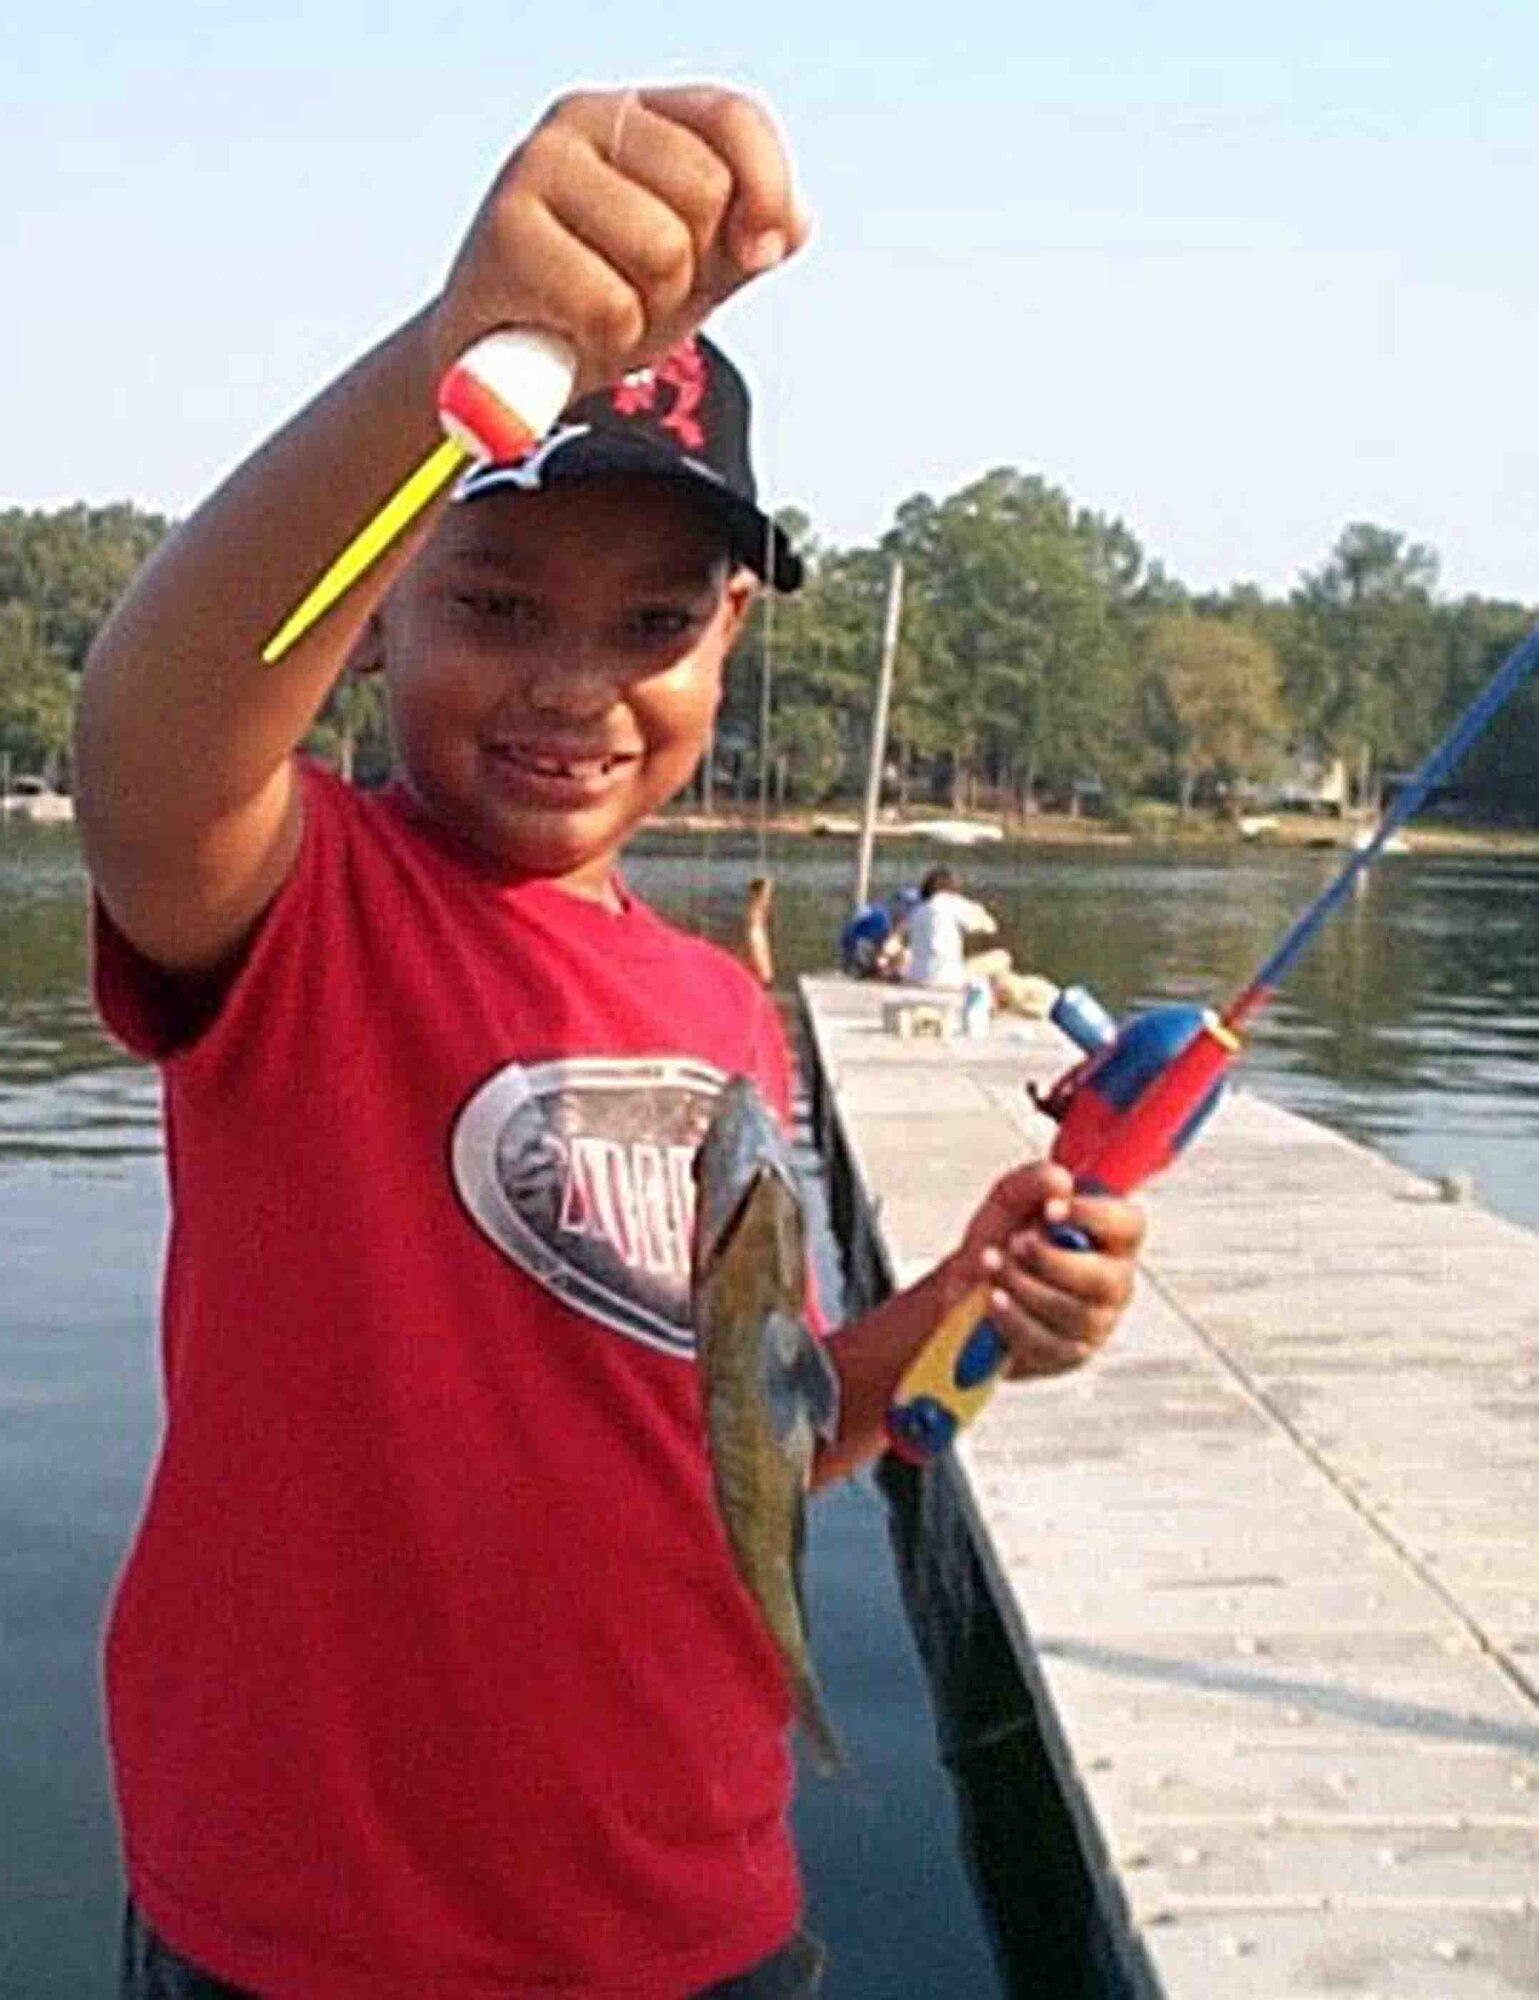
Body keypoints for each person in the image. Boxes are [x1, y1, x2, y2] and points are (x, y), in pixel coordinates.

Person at [76, 83, 1145, 2000]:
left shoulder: (721, 1014)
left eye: (650, 621)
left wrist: (977, 1313)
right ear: (383, 609)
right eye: (493, 602)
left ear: (731, 632)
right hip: (304, 1943)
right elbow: (149, 730)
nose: (573, 686)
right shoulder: (292, 904)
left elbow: (764, 1427)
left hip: (689, 1926)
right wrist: (437, 366)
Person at [903, 865, 1013, 990]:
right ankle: (996, 1001)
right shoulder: (954, 903)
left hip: (915, 978)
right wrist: (980, 910)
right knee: (1002, 957)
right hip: (946, 980)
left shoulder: (918, 910)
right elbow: (990, 927)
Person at [837, 883, 918, 978]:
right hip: (862, 958)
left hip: (852, 956)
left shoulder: (878, 909)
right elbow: (884, 946)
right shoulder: (882, 918)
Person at [743, 874, 775, 986]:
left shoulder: (757, 906)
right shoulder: (755, 906)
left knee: (766, 973)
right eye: (767, 892)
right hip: (756, 934)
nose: (769, 896)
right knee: (764, 974)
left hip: (759, 933)